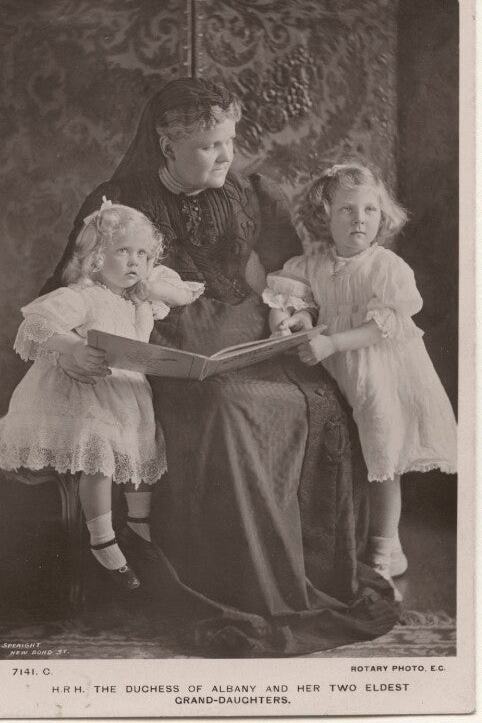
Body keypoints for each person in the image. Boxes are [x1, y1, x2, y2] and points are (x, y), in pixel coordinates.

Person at [40, 78, 399, 656]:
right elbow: (71, 284)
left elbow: (290, 268)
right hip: (161, 344)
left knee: (321, 398)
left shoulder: (247, 192)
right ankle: (234, 581)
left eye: (229, 140)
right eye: (209, 145)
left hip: (249, 335)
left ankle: (316, 572)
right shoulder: (116, 201)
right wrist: (78, 345)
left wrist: (296, 316)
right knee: (228, 408)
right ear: (166, 144)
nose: (226, 155)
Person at [263, 163, 457, 601]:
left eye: (370, 210)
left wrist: (331, 343)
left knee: (383, 461)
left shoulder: (385, 266)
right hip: (337, 372)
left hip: (381, 371)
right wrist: (292, 319)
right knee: (353, 456)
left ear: (381, 218)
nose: (360, 219)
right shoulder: (312, 265)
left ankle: (382, 556)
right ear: (324, 215)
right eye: (347, 209)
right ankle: (381, 546)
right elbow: (300, 303)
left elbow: (380, 327)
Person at [0, 200, 203, 591]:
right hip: (85, 392)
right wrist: (72, 347)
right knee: (100, 455)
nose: (134, 261)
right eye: (123, 251)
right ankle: (103, 540)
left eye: (143, 253)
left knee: (141, 455)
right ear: (94, 257)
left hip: (126, 395)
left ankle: (139, 529)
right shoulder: (83, 295)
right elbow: (36, 323)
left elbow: (180, 292)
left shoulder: (138, 300)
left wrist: (149, 280)